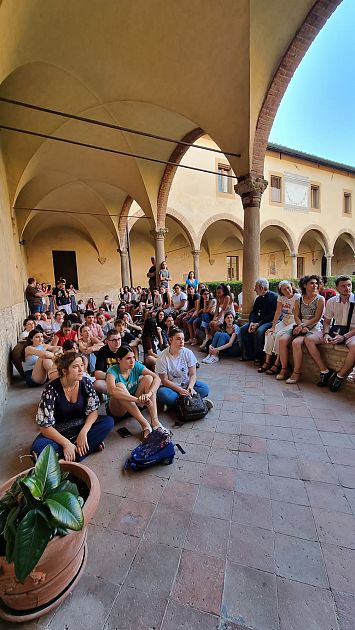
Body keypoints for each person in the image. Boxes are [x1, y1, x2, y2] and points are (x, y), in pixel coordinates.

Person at [31, 353, 114, 461]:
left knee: (108, 422)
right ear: (65, 371)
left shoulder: (85, 382)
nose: (81, 370)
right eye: (75, 367)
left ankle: (70, 457)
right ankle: (85, 448)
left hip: (81, 426)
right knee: (38, 449)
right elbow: (45, 427)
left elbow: (93, 411)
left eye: (82, 365)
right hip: (59, 432)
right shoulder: (51, 390)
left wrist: (83, 433)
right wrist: (66, 444)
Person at [308, 275, 355, 391]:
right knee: (309, 340)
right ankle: (325, 371)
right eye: (343, 286)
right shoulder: (332, 301)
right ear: (337, 288)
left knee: (354, 347)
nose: (347, 288)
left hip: (351, 332)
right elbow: (327, 322)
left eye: (349, 285)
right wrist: (326, 334)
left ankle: (340, 375)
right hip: (336, 330)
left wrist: (344, 337)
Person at [106, 345, 164, 438]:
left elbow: (157, 378)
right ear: (119, 360)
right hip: (118, 410)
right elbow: (112, 391)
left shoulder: (135, 365)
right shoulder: (112, 371)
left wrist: (149, 394)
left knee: (149, 378)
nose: (132, 360)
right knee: (119, 386)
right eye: (128, 358)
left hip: (134, 404)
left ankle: (155, 421)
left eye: (133, 357)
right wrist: (137, 400)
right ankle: (145, 425)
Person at [156, 326, 213, 410]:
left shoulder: (188, 353)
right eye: (178, 339)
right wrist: (179, 390)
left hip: (186, 384)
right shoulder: (162, 357)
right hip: (172, 388)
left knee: (204, 389)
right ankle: (197, 402)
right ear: (170, 340)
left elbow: (193, 374)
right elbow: (164, 380)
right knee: (162, 394)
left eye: (183, 339)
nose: (181, 341)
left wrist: (190, 387)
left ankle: (177, 404)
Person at [282, 275, 325, 384]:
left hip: (314, 326)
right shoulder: (299, 300)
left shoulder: (320, 299)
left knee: (296, 343)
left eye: (316, 283)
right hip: (300, 325)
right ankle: (283, 368)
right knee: (282, 339)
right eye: (311, 283)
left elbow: (317, 318)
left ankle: (296, 373)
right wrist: (300, 325)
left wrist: (303, 326)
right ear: (305, 285)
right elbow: (296, 316)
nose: (315, 285)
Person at [258, 281, 300, 377]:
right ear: (280, 290)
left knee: (279, 335)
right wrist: (273, 327)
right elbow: (278, 312)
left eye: (288, 287)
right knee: (269, 333)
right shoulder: (281, 297)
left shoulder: (297, 297)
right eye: (284, 289)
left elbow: (298, 315)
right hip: (285, 320)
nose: (287, 290)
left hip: (294, 320)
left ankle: (277, 363)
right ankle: (267, 361)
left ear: (292, 287)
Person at [239, 278, 278, 365]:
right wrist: (252, 322)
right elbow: (254, 312)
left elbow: (273, 315)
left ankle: (259, 358)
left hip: (270, 321)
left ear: (261, 287)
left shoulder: (274, 297)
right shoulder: (258, 299)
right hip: (258, 321)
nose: (254, 289)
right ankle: (248, 355)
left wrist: (258, 324)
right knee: (243, 329)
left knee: (260, 331)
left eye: (256, 287)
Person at [201, 284, 235, 349]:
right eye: (217, 292)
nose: (218, 294)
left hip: (229, 314)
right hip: (222, 313)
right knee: (211, 323)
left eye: (219, 292)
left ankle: (220, 336)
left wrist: (217, 320)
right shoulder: (218, 297)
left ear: (224, 291)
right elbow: (217, 309)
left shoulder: (227, 297)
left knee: (215, 324)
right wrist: (214, 319)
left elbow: (223, 310)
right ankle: (213, 339)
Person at [94, 329, 122, 394]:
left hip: (126, 378)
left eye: (119, 339)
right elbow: (97, 374)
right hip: (109, 380)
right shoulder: (103, 351)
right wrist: (114, 376)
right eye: (114, 340)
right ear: (107, 341)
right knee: (97, 384)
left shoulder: (125, 348)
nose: (117, 342)